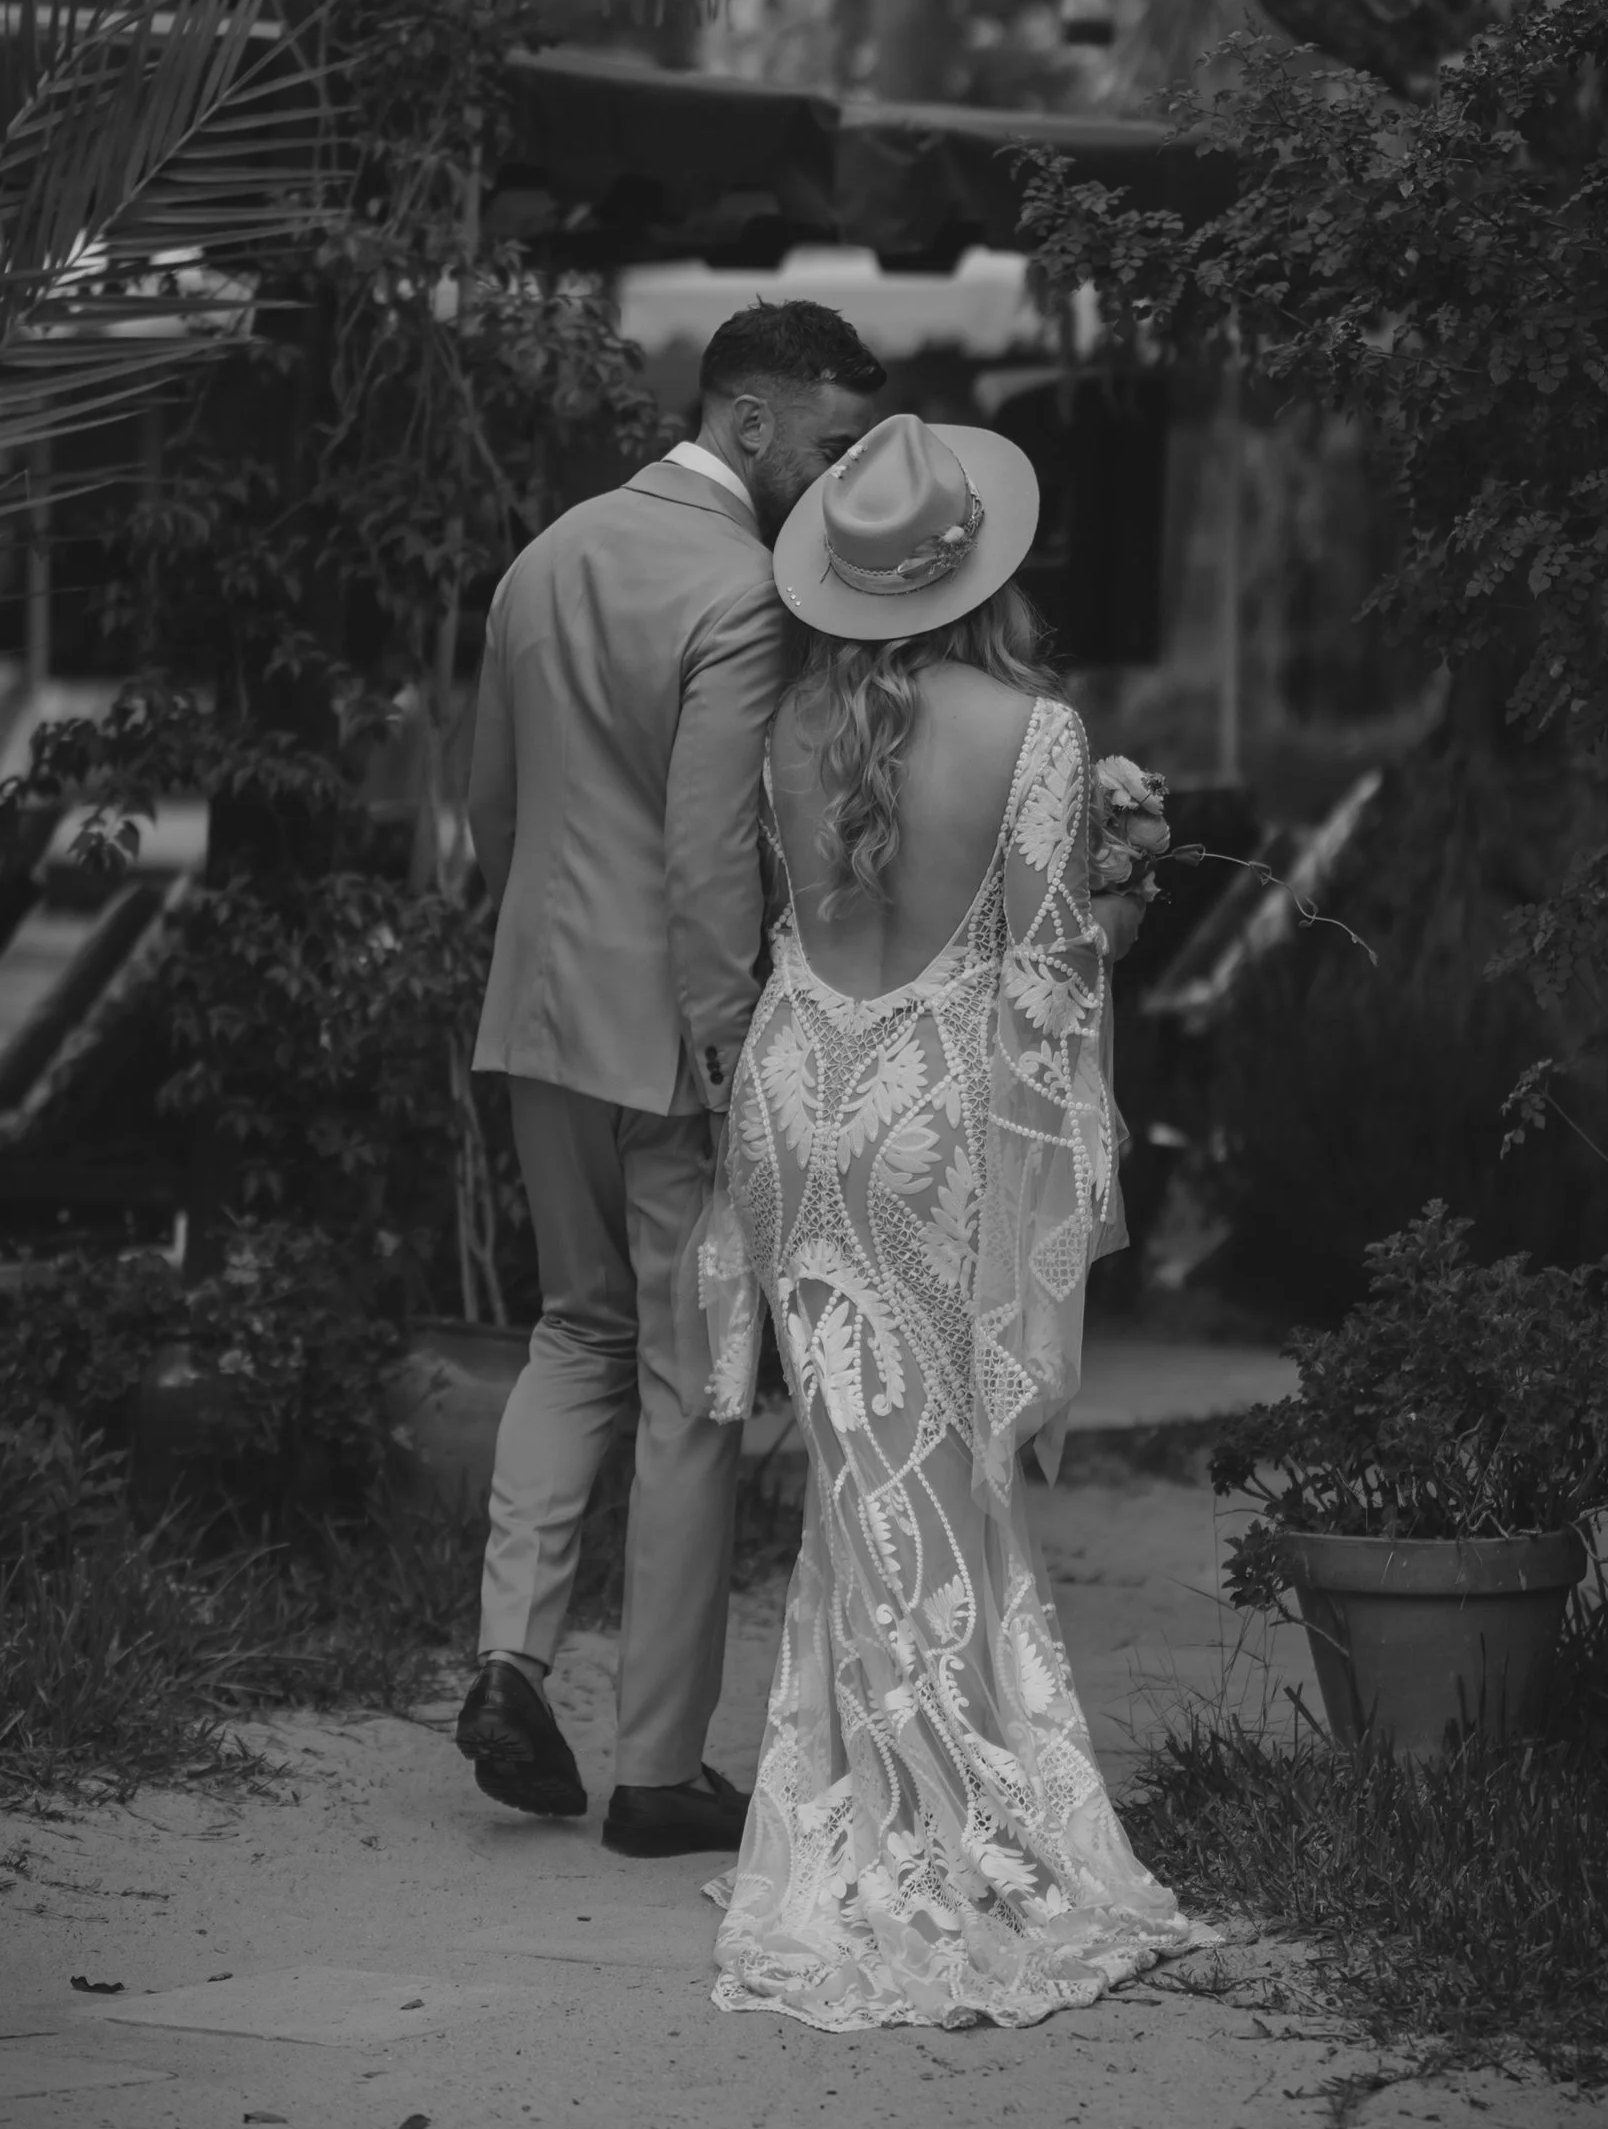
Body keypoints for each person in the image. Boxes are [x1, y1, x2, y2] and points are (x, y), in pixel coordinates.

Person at [692, 409, 1202, 2027]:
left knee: (860, 1471)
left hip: (800, 1096)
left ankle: (863, 1799)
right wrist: (1123, 899)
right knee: (933, 1467)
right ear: (980, 568)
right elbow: (1046, 984)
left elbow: (779, 921)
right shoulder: (1032, 731)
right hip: (932, 1109)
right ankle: (944, 1821)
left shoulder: (785, 722)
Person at [455, 300, 885, 1856]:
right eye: (832, 446)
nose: (840, 481)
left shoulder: (543, 557)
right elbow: (711, 850)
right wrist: (725, 1049)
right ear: (750, 422)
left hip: (537, 1017)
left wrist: (535, 964)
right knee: (693, 1390)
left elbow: (493, 811)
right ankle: (655, 1770)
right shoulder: (745, 591)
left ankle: (508, 1660)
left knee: (570, 1331)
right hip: (669, 1044)